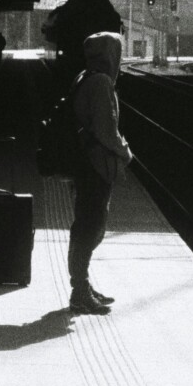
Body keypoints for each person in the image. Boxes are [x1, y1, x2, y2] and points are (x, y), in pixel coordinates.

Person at [67, 30, 132, 315]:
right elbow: (107, 130)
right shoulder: (102, 82)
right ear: (110, 55)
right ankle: (79, 291)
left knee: (86, 223)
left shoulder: (83, 76)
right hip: (95, 166)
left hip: (85, 163)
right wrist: (125, 152)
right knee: (90, 227)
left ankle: (82, 285)